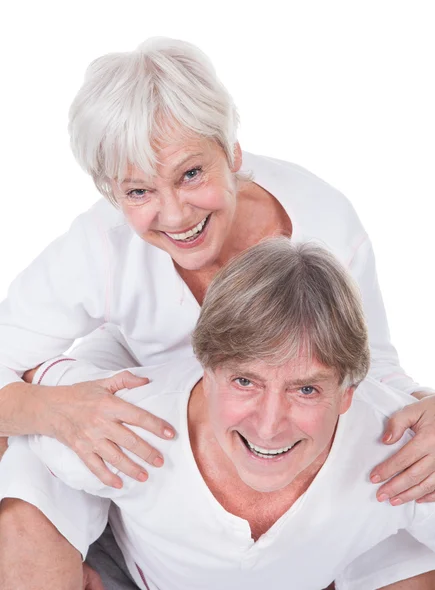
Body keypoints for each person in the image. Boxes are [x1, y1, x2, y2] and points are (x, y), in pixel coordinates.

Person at [0, 36, 435, 587]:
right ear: (111, 193)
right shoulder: (100, 247)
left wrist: (425, 407)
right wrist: (51, 409)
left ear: (232, 152)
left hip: (279, 466)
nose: (175, 214)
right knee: (24, 486)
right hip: (149, 413)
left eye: (191, 174)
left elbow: (367, 368)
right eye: (138, 191)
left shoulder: (324, 226)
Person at [2, 239, 435, 590]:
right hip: (136, 577)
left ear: (348, 393)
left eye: (306, 389)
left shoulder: (402, 453)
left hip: (324, 572)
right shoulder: (130, 425)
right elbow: (24, 385)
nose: (268, 427)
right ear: (206, 373)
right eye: (245, 382)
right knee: (22, 517)